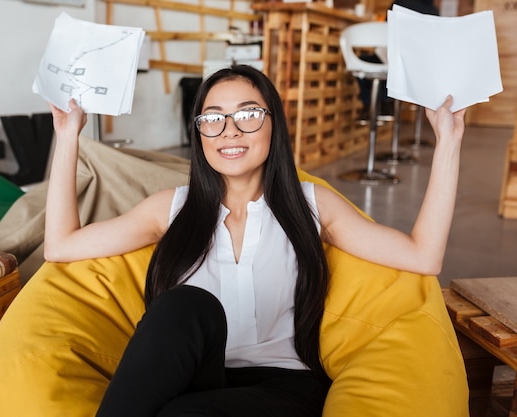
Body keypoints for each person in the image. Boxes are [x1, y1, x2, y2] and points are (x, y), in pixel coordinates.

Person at [44, 64, 466, 417]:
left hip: (284, 387)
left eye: (248, 114)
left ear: (273, 123)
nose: (229, 131)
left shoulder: (311, 204)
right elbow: (60, 246)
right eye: (213, 118)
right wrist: (67, 137)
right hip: (199, 376)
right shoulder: (171, 208)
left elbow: (423, 256)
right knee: (183, 305)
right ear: (199, 133)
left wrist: (449, 139)